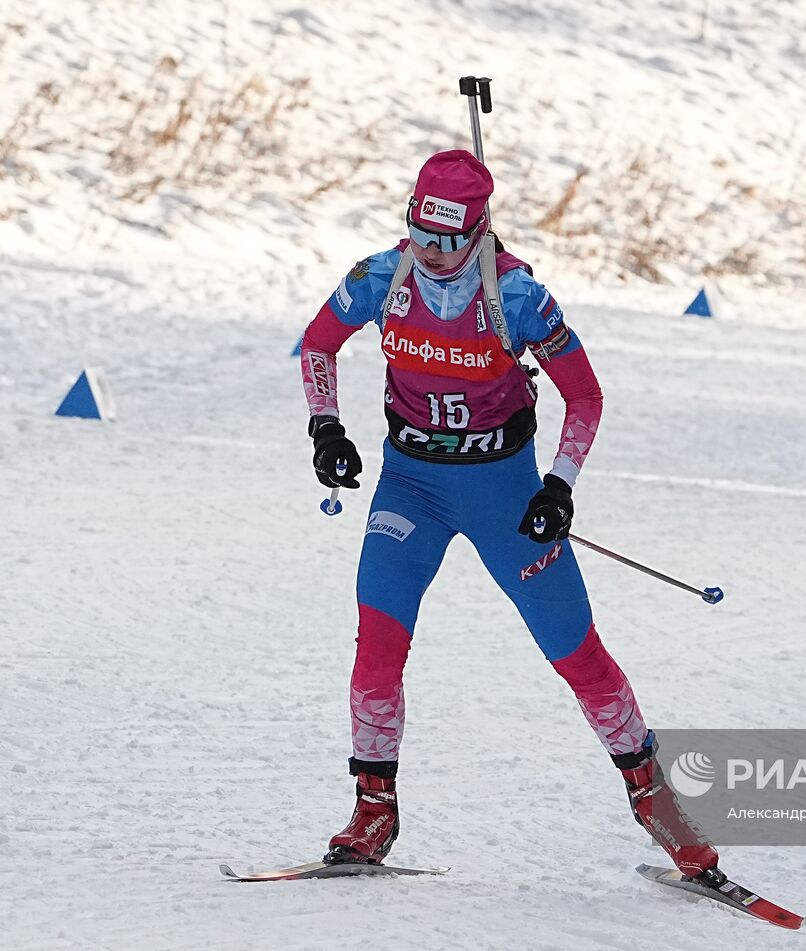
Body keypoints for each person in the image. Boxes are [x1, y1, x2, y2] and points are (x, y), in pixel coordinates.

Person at [298, 149, 719, 880]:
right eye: (419, 234)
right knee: (376, 648)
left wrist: (559, 487)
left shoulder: (518, 297)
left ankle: (654, 796)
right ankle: (374, 808)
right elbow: (317, 345)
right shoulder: (380, 277)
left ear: (479, 231)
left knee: (575, 651)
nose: (430, 253)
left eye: (447, 240)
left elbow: (584, 396)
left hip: (505, 496)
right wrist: (326, 428)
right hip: (411, 489)